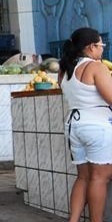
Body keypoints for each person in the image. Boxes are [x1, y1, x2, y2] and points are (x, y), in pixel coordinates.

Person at [60, 27, 112, 222]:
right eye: (101, 46)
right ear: (91, 47)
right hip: (97, 125)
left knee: (83, 176)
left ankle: (73, 220)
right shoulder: (96, 67)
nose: (102, 50)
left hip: (74, 125)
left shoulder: (66, 69)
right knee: (100, 177)